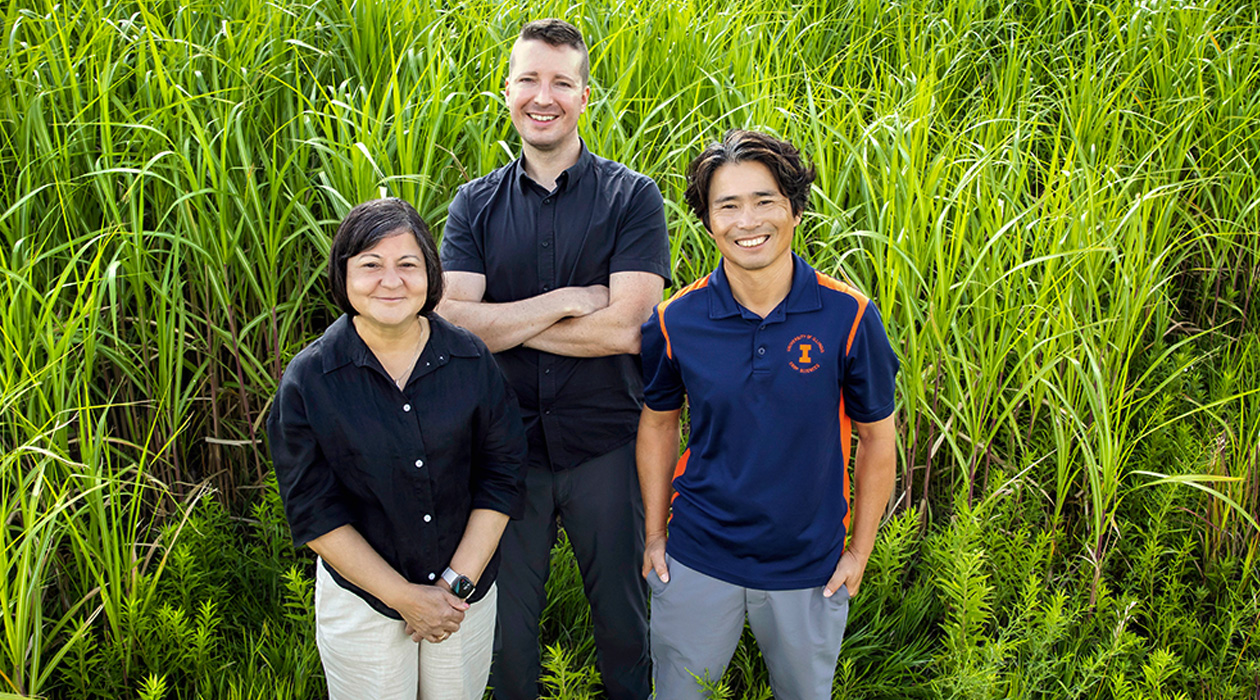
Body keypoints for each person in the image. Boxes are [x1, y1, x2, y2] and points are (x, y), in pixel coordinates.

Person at [437, 19, 670, 700]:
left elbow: (627, 330)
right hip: (506, 455)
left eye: (561, 81)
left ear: (584, 95)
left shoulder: (632, 197)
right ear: (505, 90)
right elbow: (453, 324)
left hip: (606, 447)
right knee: (507, 639)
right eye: (529, 79)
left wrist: (504, 321)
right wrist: (569, 299)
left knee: (625, 629)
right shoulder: (473, 205)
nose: (544, 95)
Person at [636, 130, 900, 699]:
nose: (746, 220)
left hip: (810, 567)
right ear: (708, 221)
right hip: (698, 557)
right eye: (727, 205)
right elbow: (657, 425)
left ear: (795, 210)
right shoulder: (673, 321)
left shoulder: (848, 315)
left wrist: (860, 551)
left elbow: (879, 440)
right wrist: (655, 534)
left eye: (764, 200)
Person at [267, 197, 527, 700]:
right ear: (343, 275)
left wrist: (454, 587)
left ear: (431, 274)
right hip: (362, 602)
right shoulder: (310, 379)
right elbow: (314, 511)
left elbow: (502, 474)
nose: (391, 281)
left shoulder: (470, 358)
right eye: (370, 265)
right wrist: (403, 597)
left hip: (464, 597)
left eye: (408, 264)